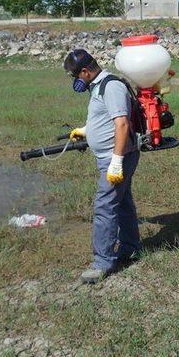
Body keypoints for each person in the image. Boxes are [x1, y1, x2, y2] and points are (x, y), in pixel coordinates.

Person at [63, 49, 141, 284]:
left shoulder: (111, 86)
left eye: (74, 76)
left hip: (116, 157)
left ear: (85, 71)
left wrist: (116, 162)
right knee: (122, 202)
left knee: (104, 206)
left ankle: (102, 262)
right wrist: (86, 131)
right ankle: (130, 248)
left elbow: (122, 124)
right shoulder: (98, 86)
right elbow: (106, 118)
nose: (74, 81)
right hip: (111, 156)